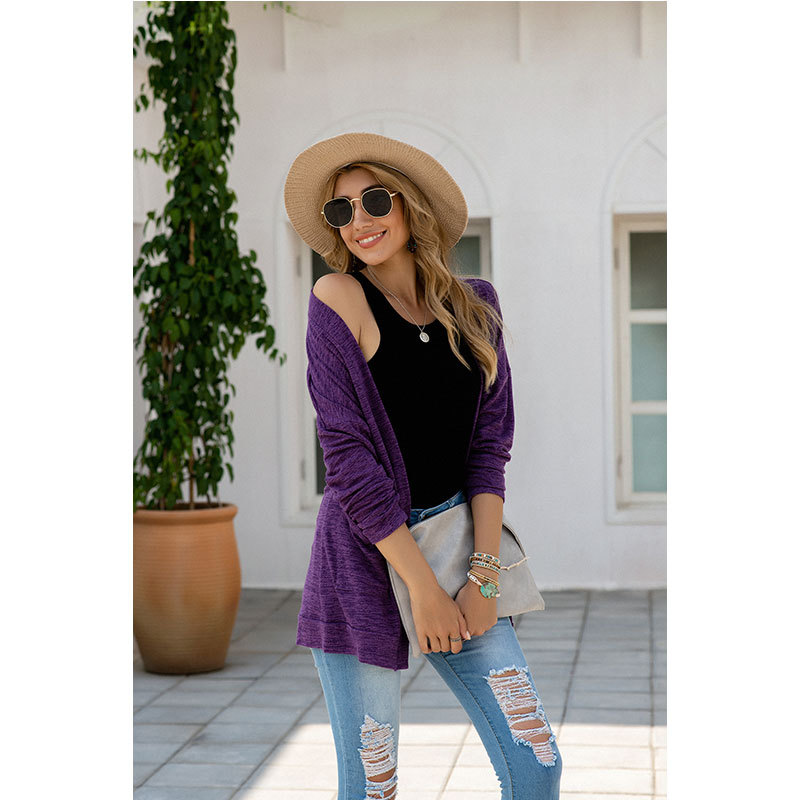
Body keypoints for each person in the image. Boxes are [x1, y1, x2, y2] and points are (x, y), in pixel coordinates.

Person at [284, 132, 561, 800]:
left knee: (537, 763)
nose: (360, 220)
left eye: (374, 200)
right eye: (341, 210)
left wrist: (483, 577)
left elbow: (489, 450)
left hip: (458, 549)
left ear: (409, 204)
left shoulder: (476, 305)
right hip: (366, 555)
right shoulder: (337, 298)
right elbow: (348, 461)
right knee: (373, 788)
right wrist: (423, 589)